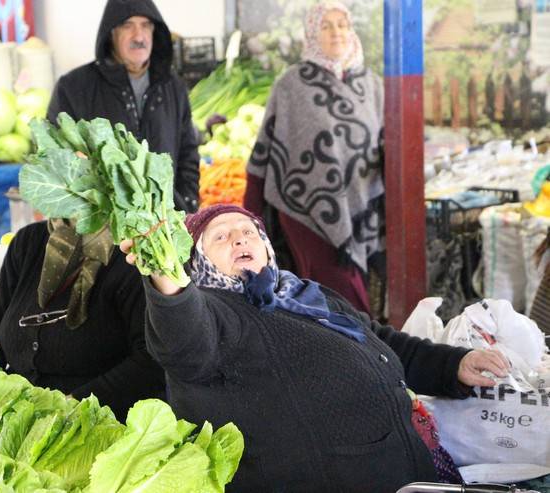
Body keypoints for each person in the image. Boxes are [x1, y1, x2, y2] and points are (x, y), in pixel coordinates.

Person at [119, 204, 510, 492]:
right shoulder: (217, 313)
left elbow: (375, 338)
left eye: (248, 230)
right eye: (220, 237)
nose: (239, 237)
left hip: (401, 472)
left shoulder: (300, 292)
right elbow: (184, 342)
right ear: (196, 262)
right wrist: (164, 273)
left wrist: (452, 364)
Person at [244, 1, 384, 314]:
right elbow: (265, 151)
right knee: (342, 300)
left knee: (348, 297)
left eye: (342, 24)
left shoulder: (371, 84)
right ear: (311, 33)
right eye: (326, 25)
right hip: (306, 209)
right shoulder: (293, 84)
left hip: (360, 211)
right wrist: (249, 220)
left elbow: (385, 143)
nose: (337, 32)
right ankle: (358, 354)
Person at [0, 219, 165, 421]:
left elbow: (153, 360)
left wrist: (73, 405)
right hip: (17, 414)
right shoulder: (28, 241)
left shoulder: (132, 254)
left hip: (99, 422)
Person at [46, 0, 200, 213]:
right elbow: (54, 155)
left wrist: (187, 205)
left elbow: (188, 154)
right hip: (99, 227)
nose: (139, 36)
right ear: (111, 33)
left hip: (163, 226)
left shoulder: (173, 87)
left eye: (146, 25)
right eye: (128, 25)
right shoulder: (73, 88)